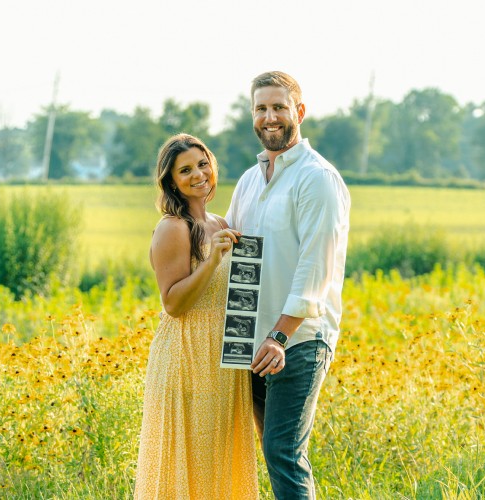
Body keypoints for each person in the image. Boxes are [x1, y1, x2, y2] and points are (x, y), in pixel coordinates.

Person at [225, 71, 351, 498]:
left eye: (279, 107)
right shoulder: (248, 180)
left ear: (299, 111)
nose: (270, 117)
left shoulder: (317, 178)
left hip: (297, 340)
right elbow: (238, 260)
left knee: (282, 451)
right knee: (269, 449)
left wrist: (280, 336)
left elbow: (315, 269)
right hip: (251, 342)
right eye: (261, 108)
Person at [135, 134, 258, 499]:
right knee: (188, 462)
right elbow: (173, 303)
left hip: (226, 362)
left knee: (220, 464)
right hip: (188, 355)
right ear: (171, 181)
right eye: (185, 170)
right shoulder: (172, 227)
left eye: (202, 164)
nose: (198, 174)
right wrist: (211, 261)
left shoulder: (222, 223)